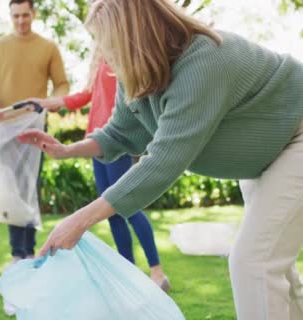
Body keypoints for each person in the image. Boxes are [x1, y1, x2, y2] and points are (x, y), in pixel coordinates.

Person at [17, 0, 303, 319]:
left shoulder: (204, 60)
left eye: (107, 43)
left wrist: (80, 220)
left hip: (297, 137)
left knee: (254, 263)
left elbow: (163, 161)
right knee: (276, 272)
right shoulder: (134, 74)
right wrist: (66, 150)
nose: (102, 54)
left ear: (134, 37)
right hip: (266, 158)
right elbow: (121, 133)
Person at [29, 60, 169, 290]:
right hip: (97, 140)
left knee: (128, 206)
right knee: (112, 214)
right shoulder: (99, 60)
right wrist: (45, 102)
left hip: (117, 139)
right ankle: (129, 272)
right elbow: (84, 96)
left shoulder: (122, 55)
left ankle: (158, 272)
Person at [0, 0, 69, 265]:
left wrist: (53, 102)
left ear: (34, 14)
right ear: (10, 16)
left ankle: (27, 250)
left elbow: (62, 85)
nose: (20, 21)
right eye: (15, 16)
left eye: (25, 15)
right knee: (11, 190)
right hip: (4, 128)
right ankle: (20, 253)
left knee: (30, 187)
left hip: (35, 127)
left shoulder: (48, 47)